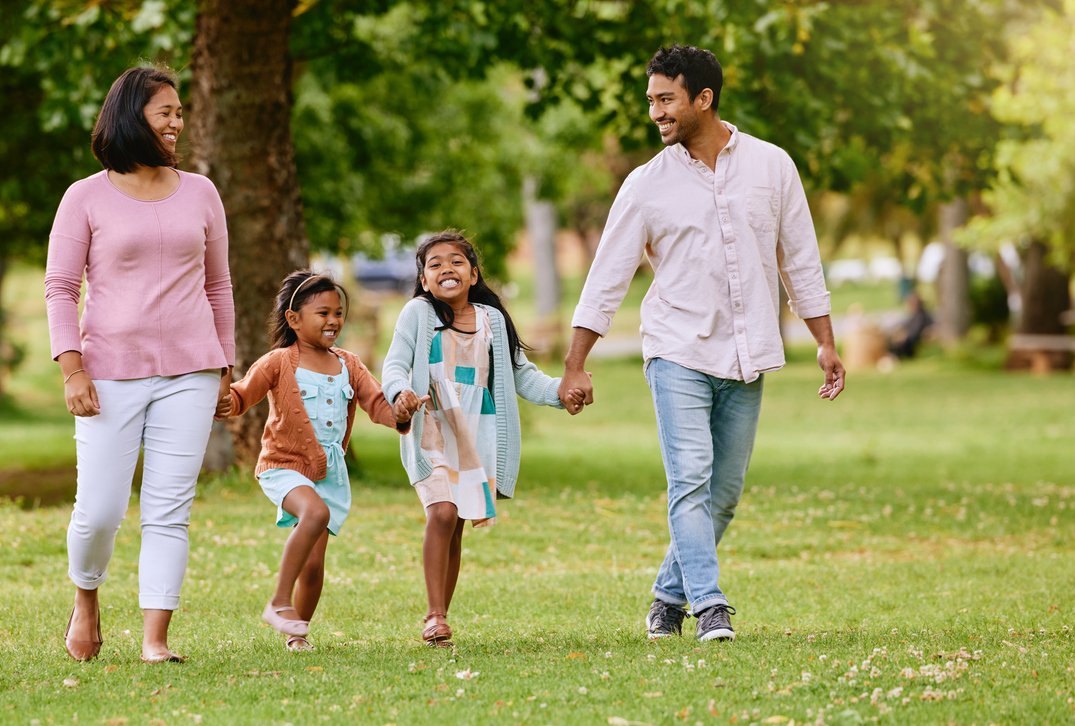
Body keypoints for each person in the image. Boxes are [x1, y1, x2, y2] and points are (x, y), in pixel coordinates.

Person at [558, 46, 845, 643]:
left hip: (749, 352)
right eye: (652, 101)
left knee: (725, 494)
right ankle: (710, 606)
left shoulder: (772, 166)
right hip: (676, 349)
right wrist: (576, 362)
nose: (656, 113)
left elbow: (800, 260)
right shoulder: (646, 185)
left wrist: (825, 342)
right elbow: (607, 275)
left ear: (703, 99)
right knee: (690, 479)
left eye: (666, 100)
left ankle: (667, 597)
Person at [44, 66, 234, 663]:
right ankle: (87, 599)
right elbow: (59, 288)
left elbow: (219, 285)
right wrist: (72, 369)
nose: (178, 123)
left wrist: (225, 365)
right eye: (166, 113)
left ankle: (156, 640)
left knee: (168, 510)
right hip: (107, 374)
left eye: (180, 113)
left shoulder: (201, 192)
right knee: (98, 511)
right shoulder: (85, 196)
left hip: (192, 371)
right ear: (133, 117)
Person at [383, 231, 578, 647]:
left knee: (455, 525)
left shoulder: (492, 321)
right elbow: (396, 364)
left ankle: (442, 615)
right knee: (442, 513)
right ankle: (434, 616)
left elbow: (522, 373)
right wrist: (400, 395)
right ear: (423, 280)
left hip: (477, 434)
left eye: (456, 262)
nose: (445, 269)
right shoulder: (417, 314)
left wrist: (562, 392)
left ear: (473, 274)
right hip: (431, 426)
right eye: (434, 264)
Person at [216, 271, 411, 652]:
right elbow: (241, 396)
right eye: (323, 313)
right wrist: (225, 400)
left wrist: (401, 410)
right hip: (283, 464)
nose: (333, 321)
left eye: (338, 313)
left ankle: (296, 634)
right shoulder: (278, 362)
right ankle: (278, 601)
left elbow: (378, 406)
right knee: (315, 514)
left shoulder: (348, 364)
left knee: (315, 566)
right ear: (294, 319)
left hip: (328, 472)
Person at [887, 292, 932, 360]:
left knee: (894, 346)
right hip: (909, 340)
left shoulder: (920, 316)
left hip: (910, 343)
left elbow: (914, 333)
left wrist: (903, 336)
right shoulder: (915, 315)